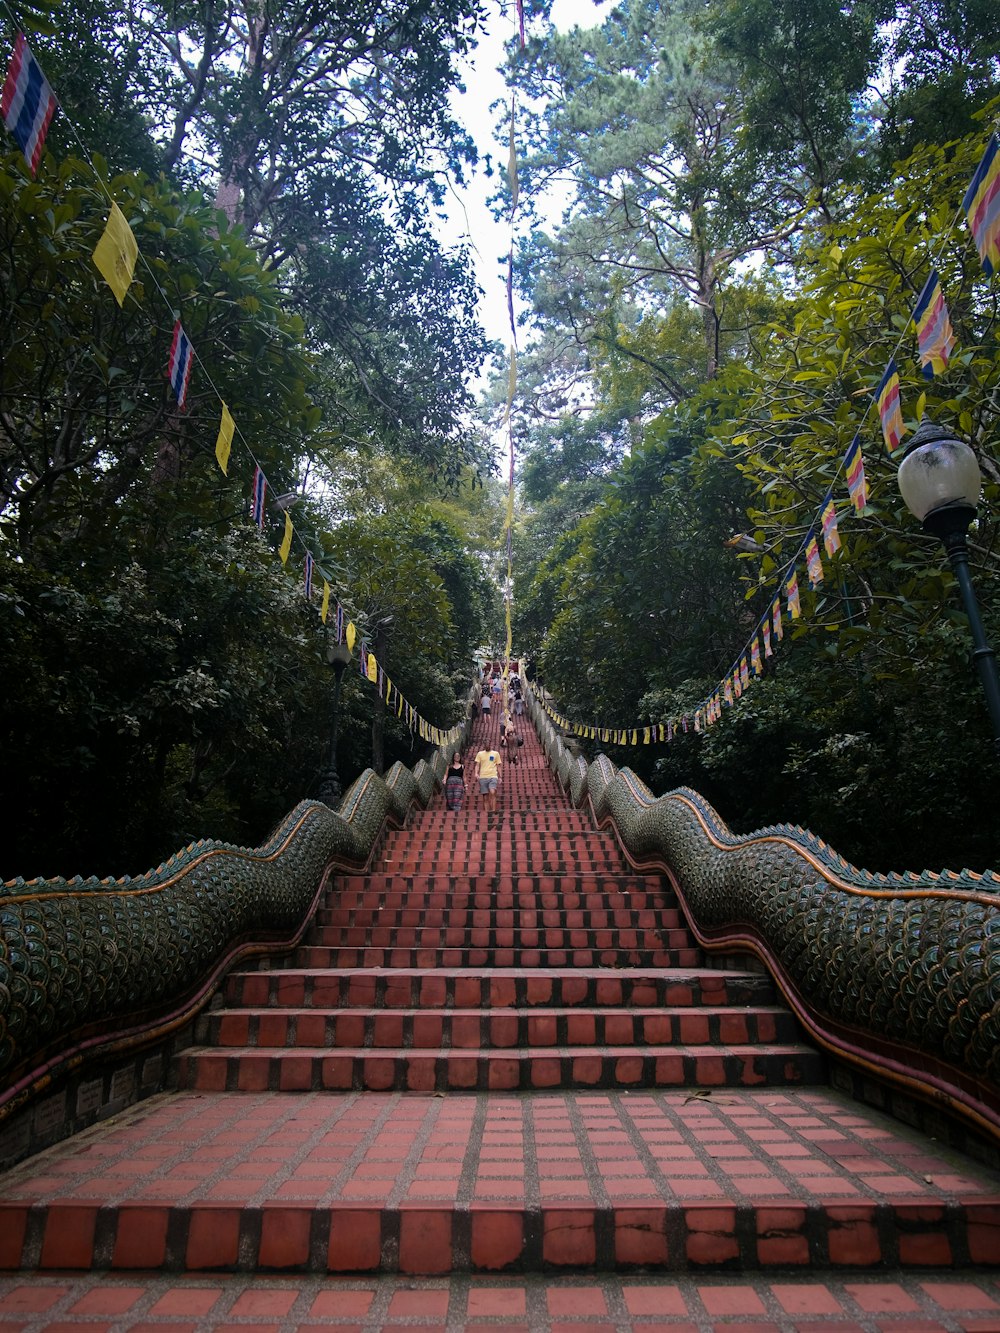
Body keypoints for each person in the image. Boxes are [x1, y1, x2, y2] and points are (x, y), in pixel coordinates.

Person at [474, 744, 502, 812]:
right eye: (486, 745)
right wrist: (476, 773)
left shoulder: (495, 753)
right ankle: (487, 812)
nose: (487, 746)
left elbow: (498, 766)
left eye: (488, 745)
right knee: (485, 796)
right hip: (483, 776)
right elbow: (477, 765)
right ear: (484, 746)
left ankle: (493, 810)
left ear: (490, 745)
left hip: (493, 776)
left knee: (492, 792)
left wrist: (500, 776)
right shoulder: (480, 754)